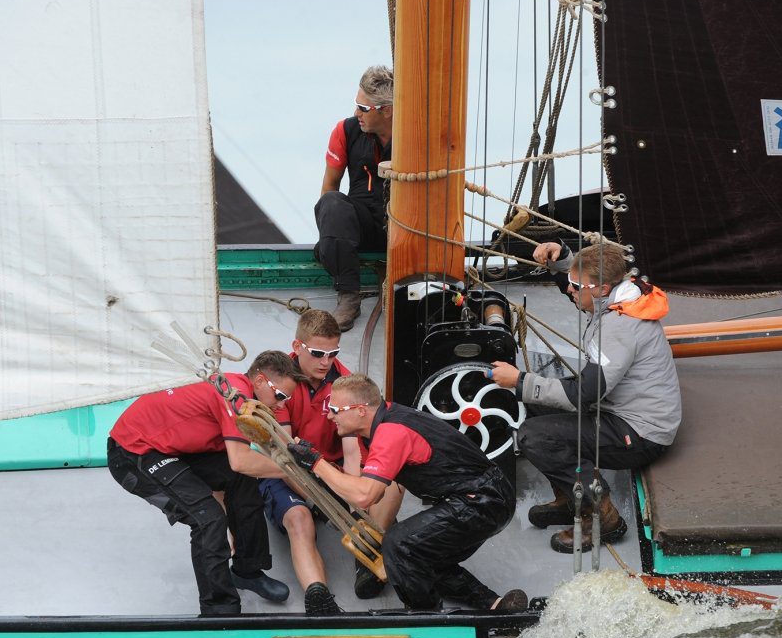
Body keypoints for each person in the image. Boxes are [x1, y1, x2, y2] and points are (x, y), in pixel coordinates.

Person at [489, 241, 681, 554]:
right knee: (540, 401)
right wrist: (562, 259)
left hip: (642, 434)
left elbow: (584, 395)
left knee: (534, 437)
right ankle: (570, 497)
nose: (568, 290)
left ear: (603, 288)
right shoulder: (621, 294)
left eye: (576, 286)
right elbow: (584, 284)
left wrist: (519, 380)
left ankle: (604, 517)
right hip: (620, 406)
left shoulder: (619, 329)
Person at [287, 374, 528, 613]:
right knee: (423, 553)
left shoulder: (390, 433)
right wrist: (318, 466)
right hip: (486, 495)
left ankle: (425, 615)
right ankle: (494, 604)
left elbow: (365, 497)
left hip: (482, 500)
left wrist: (316, 463)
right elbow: (373, 492)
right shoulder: (378, 425)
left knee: (400, 544)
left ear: (360, 410)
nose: (329, 416)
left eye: (335, 409)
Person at [106, 350, 304, 615]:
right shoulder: (234, 398)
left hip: (173, 449)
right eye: (280, 396)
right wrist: (293, 470)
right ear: (258, 381)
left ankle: (247, 570)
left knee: (243, 481)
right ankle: (219, 610)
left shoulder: (240, 391)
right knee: (208, 518)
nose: (281, 406)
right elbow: (240, 461)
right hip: (133, 454)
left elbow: (242, 467)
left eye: (286, 399)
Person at [261, 309, 402, 615]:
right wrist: (316, 501)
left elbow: (352, 451)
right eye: (317, 353)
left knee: (388, 488)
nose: (326, 362)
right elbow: (284, 455)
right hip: (286, 471)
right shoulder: (280, 384)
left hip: (329, 467)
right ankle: (319, 599)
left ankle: (367, 557)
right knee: (300, 520)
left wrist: (355, 504)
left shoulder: (342, 381)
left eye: (333, 353)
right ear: (297, 347)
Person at [314, 65, 394, 332]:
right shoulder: (345, 131)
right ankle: (349, 295)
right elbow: (329, 188)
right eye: (356, 105)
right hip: (362, 223)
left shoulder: (417, 136)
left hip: (403, 226)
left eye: (363, 107)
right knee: (332, 202)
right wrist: (332, 240)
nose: (356, 113)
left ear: (387, 110)